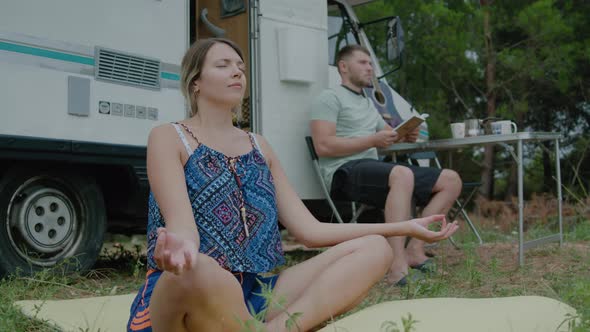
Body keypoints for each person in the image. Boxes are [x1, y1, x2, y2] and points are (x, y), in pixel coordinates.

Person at [127, 38, 458, 332]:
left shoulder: (259, 146)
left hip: (258, 293)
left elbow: (310, 230)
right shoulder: (169, 137)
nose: (237, 72)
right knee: (200, 267)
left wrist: (406, 226)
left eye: (240, 66)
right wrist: (181, 248)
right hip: (193, 288)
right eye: (223, 65)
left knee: (375, 248)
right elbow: (183, 226)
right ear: (196, 81)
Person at [309, 45, 463, 286]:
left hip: (372, 167)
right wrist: (372, 140)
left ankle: (415, 250)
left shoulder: (367, 103)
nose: (370, 68)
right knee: (401, 174)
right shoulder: (329, 98)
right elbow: (324, 145)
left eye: (371, 63)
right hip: (344, 171)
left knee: (450, 179)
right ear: (343, 66)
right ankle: (396, 265)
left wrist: (404, 135)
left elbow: (386, 136)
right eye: (363, 63)